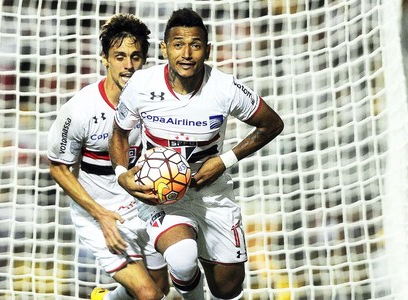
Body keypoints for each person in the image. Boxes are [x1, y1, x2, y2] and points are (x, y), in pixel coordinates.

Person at [109, 8, 284, 300]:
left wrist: (225, 160)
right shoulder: (141, 85)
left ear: (207, 49)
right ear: (165, 48)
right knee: (182, 255)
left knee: (227, 289)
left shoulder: (225, 88)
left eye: (195, 45)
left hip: (212, 193)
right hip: (162, 194)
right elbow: (119, 133)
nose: (187, 53)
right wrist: (120, 174)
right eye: (178, 44)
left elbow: (272, 123)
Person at [47, 13, 169, 300]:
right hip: (99, 212)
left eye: (136, 57)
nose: (128, 65)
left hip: (141, 205)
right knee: (148, 295)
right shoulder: (80, 109)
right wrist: (101, 215)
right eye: (120, 56)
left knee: (161, 289)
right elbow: (58, 168)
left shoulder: (153, 103)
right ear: (104, 58)